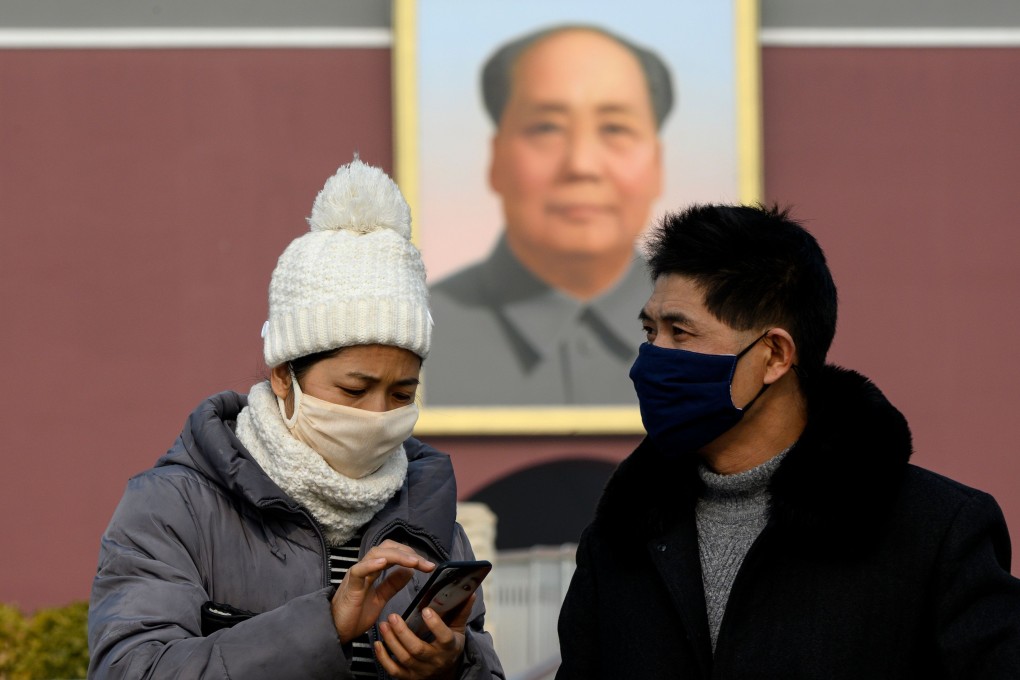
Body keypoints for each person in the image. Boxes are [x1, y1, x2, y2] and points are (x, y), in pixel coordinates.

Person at [555, 204, 1020, 678]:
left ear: (774, 354)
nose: (650, 359)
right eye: (649, 331)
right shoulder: (619, 539)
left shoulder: (937, 531)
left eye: (681, 332)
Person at [87, 159, 504, 680]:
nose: (377, 416)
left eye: (402, 393)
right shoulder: (175, 507)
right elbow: (130, 670)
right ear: (284, 375)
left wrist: (450, 667)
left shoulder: (431, 517)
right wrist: (322, 626)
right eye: (354, 389)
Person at [426, 24, 673, 406]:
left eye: (615, 128)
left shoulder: (713, 338)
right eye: (546, 128)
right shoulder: (418, 334)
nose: (582, 165)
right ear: (496, 159)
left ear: (657, 164)